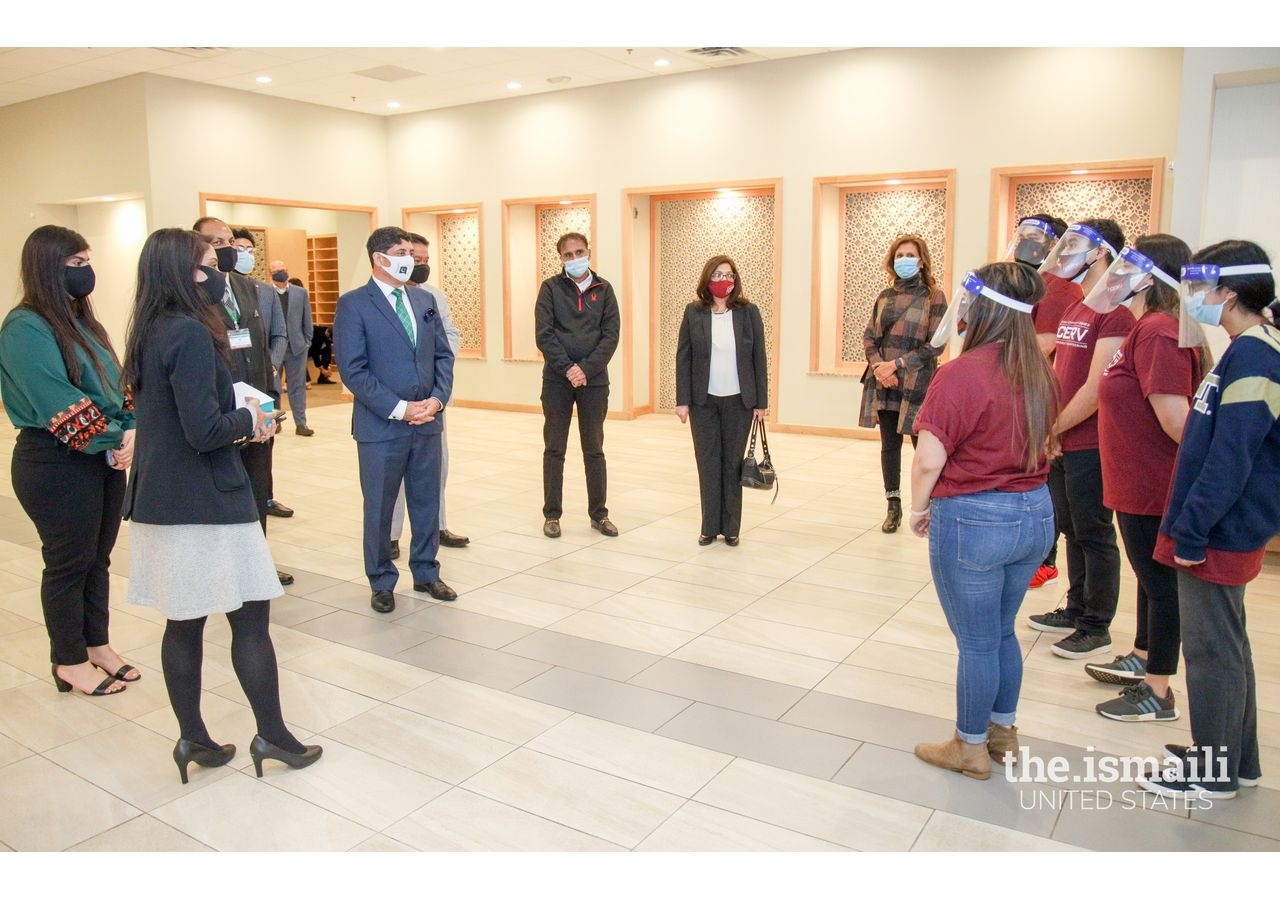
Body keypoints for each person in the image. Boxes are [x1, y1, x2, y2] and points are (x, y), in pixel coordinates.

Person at [122, 228, 319, 782]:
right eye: (211, 262)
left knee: (182, 624)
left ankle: (194, 740)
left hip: (162, 498)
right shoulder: (187, 332)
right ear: (187, 273)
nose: (221, 270)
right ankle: (273, 736)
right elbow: (205, 429)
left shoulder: (150, 328)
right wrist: (251, 421)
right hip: (207, 498)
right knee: (250, 619)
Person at [1137, 240, 1278, 800]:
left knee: (1212, 652)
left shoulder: (1256, 356)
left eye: (1203, 286)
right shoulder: (1248, 347)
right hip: (1218, 524)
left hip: (1220, 529)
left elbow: (1231, 458)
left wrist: (1191, 531)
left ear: (1232, 292)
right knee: (1230, 643)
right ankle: (1235, 758)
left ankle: (1213, 771)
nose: (1192, 296)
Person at [909, 262, 1058, 779]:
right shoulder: (1041, 368)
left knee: (976, 641)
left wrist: (918, 508)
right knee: (1000, 631)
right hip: (1035, 512)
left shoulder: (961, 373)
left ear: (984, 309)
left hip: (975, 520)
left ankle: (969, 747)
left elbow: (929, 458)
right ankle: (1003, 733)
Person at [0, 225, 137, 697]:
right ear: (48, 268)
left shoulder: (82, 321)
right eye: (76, 264)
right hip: (54, 462)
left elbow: (116, 384)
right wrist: (118, 435)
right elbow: (61, 406)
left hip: (100, 458)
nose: (87, 272)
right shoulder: (25, 328)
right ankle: (69, 659)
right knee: (68, 562)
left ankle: (96, 644)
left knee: (96, 559)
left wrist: (130, 427)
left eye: (87, 261)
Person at [1091, 235, 1201, 722]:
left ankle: (1158, 690)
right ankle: (1143, 655)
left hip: (1151, 482)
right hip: (1134, 479)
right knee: (1151, 581)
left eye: (1130, 260)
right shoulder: (1147, 327)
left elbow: (1177, 420)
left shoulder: (1157, 330)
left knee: (1161, 586)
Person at [333, 226, 456, 614]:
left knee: (426, 501)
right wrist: (401, 408)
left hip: (427, 423)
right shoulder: (354, 304)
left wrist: (436, 400)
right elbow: (354, 370)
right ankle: (382, 580)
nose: (409, 259)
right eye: (401, 252)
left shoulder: (423, 300)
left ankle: (426, 572)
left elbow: (443, 355)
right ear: (379, 258)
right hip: (382, 427)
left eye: (411, 253)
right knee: (381, 507)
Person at [1026, 218, 1131, 660]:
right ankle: (1075, 606)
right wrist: (1049, 426)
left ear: (1100, 253)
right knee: (1070, 529)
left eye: (1076, 245)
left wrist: (1058, 427)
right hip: (1062, 436)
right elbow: (1059, 372)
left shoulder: (1117, 313)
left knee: (1094, 532)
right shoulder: (1077, 306)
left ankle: (1096, 624)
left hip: (1089, 440)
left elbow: (1095, 388)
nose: (1064, 252)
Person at [194, 218, 294, 584]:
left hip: (256, 408)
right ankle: (224, 567)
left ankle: (256, 562)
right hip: (221, 414)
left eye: (230, 242)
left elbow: (262, 348)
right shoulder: (193, 296)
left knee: (256, 488)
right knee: (223, 493)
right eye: (217, 242)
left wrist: (267, 407)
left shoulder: (249, 289)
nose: (228, 249)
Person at [674, 255, 769, 546]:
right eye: (717, 274)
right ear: (707, 279)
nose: (723, 280)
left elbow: (759, 358)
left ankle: (731, 529)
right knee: (707, 463)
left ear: (735, 280)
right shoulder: (694, 312)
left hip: (740, 401)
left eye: (728, 275)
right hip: (704, 401)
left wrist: (761, 402)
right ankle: (708, 526)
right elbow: (684, 357)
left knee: (732, 464)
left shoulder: (748, 312)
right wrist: (682, 400)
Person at [859, 234, 948, 533]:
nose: (904, 260)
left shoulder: (934, 296)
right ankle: (892, 505)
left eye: (910, 255)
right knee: (889, 445)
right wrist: (879, 367)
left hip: (918, 382)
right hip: (884, 381)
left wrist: (897, 365)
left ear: (921, 261)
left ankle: (928, 505)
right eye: (899, 256)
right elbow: (869, 336)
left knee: (922, 446)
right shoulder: (885, 296)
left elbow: (936, 345)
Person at [387, 233, 468, 559]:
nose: (418, 265)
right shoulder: (381, 299)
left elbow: (450, 334)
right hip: (397, 401)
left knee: (437, 466)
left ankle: (437, 525)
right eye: (412, 258)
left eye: (422, 260)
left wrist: (437, 369)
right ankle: (390, 535)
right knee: (395, 469)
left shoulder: (433, 296)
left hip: (432, 396)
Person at [535, 232, 620, 539]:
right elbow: (544, 335)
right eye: (567, 255)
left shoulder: (605, 289)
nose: (574, 259)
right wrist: (569, 369)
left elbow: (610, 336)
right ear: (561, 258)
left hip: (594, 382)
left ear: (588, 253)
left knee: (594, 449)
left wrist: (585, 369)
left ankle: (599, 514)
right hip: (557, 380)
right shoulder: (550, 289)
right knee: (554, 448)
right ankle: (552, 515)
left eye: (578, 252)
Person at [1012, 213, 1071, 589]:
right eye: (1022, 235)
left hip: (1045, 394)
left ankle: (1045, 559)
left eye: (1035, 237)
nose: (1025, 243)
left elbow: (1046, 341)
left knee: (1048, 481)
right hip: (1019, 388)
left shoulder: (1058, 287)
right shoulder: (1024, 283)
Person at [268, 258, 314, 436]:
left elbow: (307, 318)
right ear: (270, 274)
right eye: (277, 270)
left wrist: (307, 341)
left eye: (283, 269)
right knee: (274, 387)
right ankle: (275, 420)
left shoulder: (300, 292)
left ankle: (301, 424)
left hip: (297, 347)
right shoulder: (265, 293)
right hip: (274, 348)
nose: (281, 273)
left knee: (297, 387)